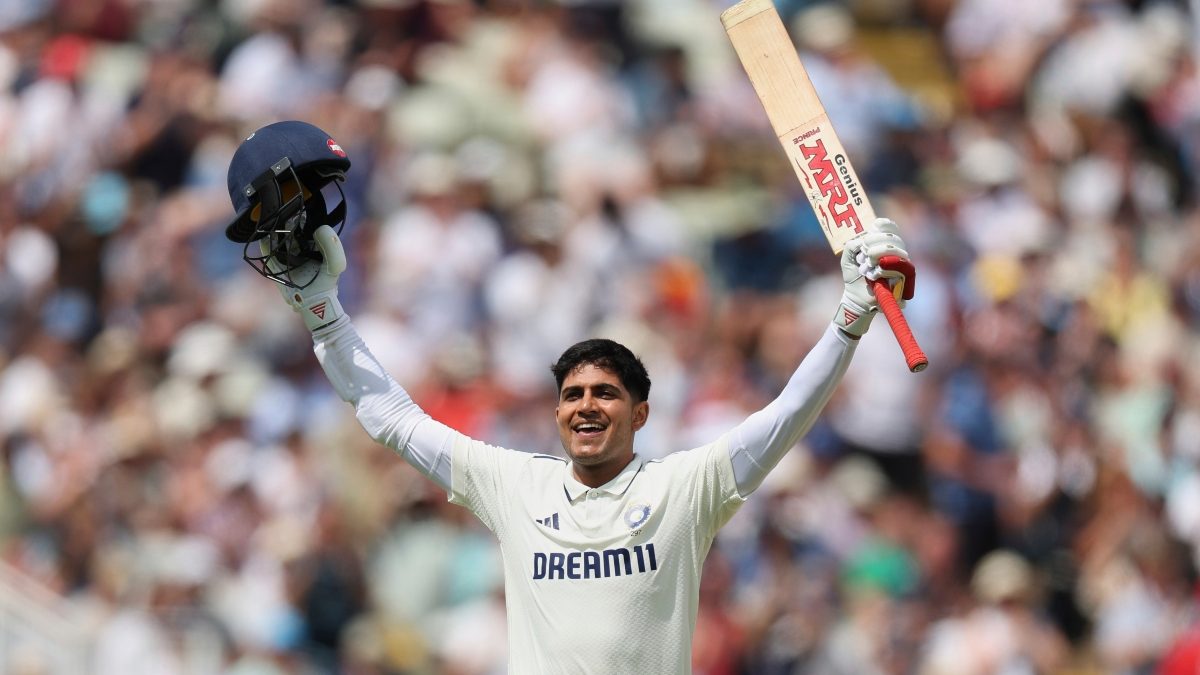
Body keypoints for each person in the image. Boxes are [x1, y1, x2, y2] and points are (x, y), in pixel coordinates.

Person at [225, 120, 915, 673]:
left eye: (606, 394)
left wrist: (850, 316)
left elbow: (787, 415)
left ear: (641, 413)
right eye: (572, 394)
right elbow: (389, 417)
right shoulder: (515, 485)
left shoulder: (687, 487)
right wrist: (324, 316)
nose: (585, 405)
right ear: (555, 413)